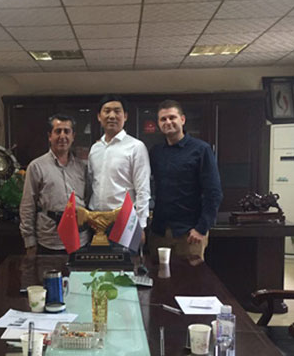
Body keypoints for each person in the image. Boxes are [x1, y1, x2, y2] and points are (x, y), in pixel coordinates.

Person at [149, 99, 223, 260]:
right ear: (159, 124)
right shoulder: (156, 152)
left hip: (190, 233)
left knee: (191, 275)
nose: (168, 122)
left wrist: (202, 228)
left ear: (182, 119)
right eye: (163, 119)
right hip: (159, 232)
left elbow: (213, 193)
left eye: (172, 117)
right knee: (158, 275)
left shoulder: (201, 149)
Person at [19, 114, 90, 255]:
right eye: (58, 131)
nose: (62, 136)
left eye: (67, 131)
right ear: (49, 136)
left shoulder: (82, 167)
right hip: (49, 240)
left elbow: (88, 200)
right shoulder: (37, 166)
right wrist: (29, 240)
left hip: (80, 240)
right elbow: (28, 205)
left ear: (73, 136)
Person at [88, 94, 150, 239]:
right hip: (95, 221)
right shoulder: (95, 149)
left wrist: (141, 225)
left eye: (117, 111)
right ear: (99, 116)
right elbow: (91, 184)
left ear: (125, 116)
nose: (112, 116)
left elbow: (143, 190)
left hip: (124, 221)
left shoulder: (136, 147)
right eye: (107, 111)